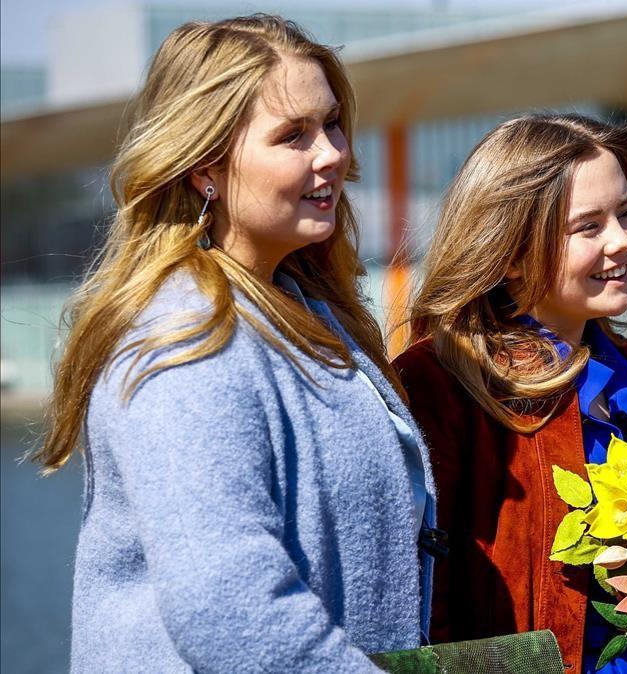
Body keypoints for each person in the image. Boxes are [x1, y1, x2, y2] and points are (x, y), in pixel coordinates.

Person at [35, 15, 435, 672]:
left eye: (331, 122)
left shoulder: (297, 305)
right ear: (204, 169)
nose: (333, 152)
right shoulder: (182, 342)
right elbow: (232, 610)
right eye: (292, 135)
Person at [391, 113, 627, 673]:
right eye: (588, 227)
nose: (623, 240)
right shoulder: (439, 380)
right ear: (512, 251)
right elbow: (423, 599)